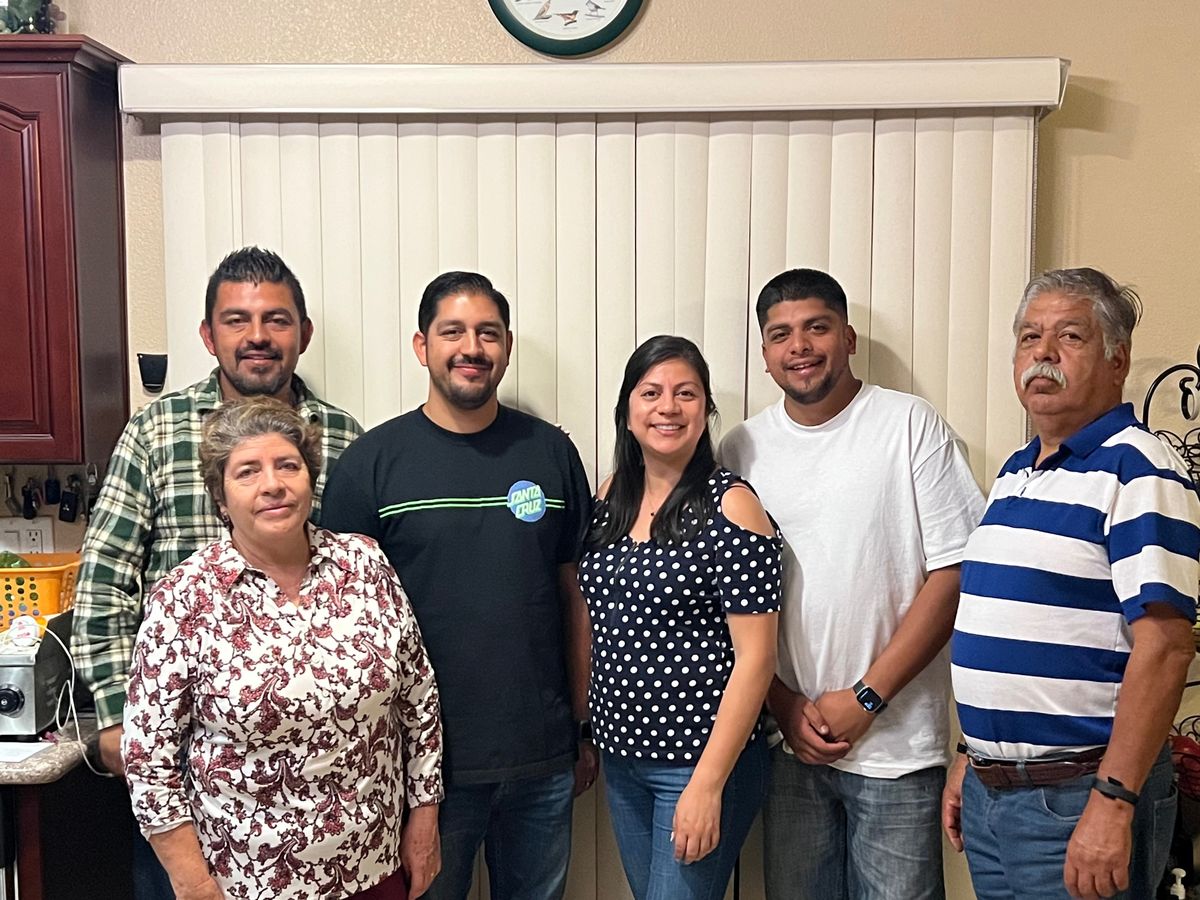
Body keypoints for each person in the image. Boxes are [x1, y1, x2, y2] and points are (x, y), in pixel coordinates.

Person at [72, 246, 362, 898]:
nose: (258, 335)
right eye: (237, 320)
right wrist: (119, 720)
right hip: (184, 763)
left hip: (315, 770)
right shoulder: (156, 432)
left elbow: (364, 593)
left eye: (276, 319)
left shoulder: (346, 439)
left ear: (303, 333)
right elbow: (104, 581)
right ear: (209, 335)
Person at [320, 271, 596, 900]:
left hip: (540, 758)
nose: (472, 347)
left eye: (488, 333)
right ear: (422, 346)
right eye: (453, 332)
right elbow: (341, 627)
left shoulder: (551, 454)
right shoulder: (370, 465)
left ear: (506, 347)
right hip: (421, 772)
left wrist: (581, 729)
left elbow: (575, 599)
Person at [720, 268, 984, 900]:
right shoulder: (741, 448)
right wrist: (783, 705)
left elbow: (956, 571)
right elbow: (722, 599)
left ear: (848, 338)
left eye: (817, 327)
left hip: (897, 749)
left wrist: (866, 698)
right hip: (788, 747)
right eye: (780, 334)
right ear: (765, 354)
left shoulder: (909, 424)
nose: (799, 346)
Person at [942, 267, 1200, 899]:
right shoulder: (1017, 470)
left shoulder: (1139, 468)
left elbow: (1166, 646)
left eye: (1070, 336)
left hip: (1078, 797)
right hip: (994, 795)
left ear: (1117, 359)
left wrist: (1113, 801)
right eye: (1029, 337)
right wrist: (972, 756)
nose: (1044, 354)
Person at [123, 398, 442, 900]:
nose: (272, 484)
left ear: (310, 480)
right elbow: (149, 759)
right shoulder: (185, 597)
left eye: (288, 465)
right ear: (221, 498)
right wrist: (193, 882)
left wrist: (424, 817)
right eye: (247, 471)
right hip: (245, 882)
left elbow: (418, 699)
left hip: (372, 868)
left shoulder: (364, 563)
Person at [580, 335, 780, 899]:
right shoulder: (610, 498)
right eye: (651, 393)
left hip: (696, 763)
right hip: (621, 758)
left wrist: (708, 784)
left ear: (706, 410)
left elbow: (757, 657)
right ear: (626, 411)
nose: (667, 407)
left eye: (685, 393)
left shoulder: (731, 505)